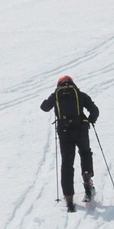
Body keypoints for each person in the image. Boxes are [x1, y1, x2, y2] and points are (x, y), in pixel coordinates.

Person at [40, 75, 101, 211]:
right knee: (85, 153)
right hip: (81, 130)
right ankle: (87, 174)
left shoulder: (56, 95)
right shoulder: (80, 94)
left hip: (64, 132)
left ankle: (68, 196)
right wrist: (90, 120)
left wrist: (52, 98)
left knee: (67, 163)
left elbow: (44, 107)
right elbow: (94, 110)